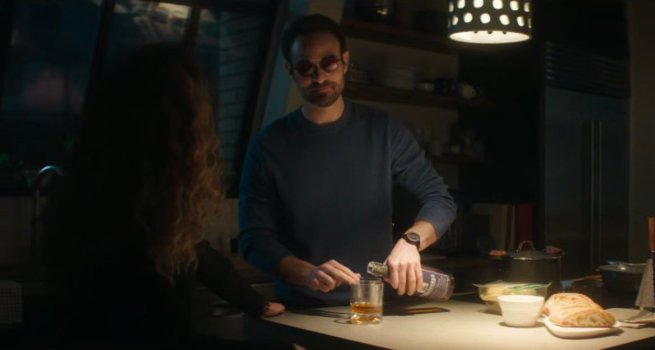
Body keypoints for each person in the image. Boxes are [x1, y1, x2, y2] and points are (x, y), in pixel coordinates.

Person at [41, 43, 294, 348]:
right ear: (170, 139)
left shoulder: (113, 200)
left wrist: (255, 303)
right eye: (195, 126)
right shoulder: (123, 229)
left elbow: (195, 252)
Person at [238, 14, 456, 308]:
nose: (319, 77)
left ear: (345, 61)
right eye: (306, 68)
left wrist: (411, 242)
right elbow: (253, 239)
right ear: (290, 71)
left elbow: (440, 200)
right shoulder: (268, 145)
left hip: (373, 306)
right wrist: (305, 273)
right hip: (305, 310)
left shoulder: (383, 130)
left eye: (328, 63)